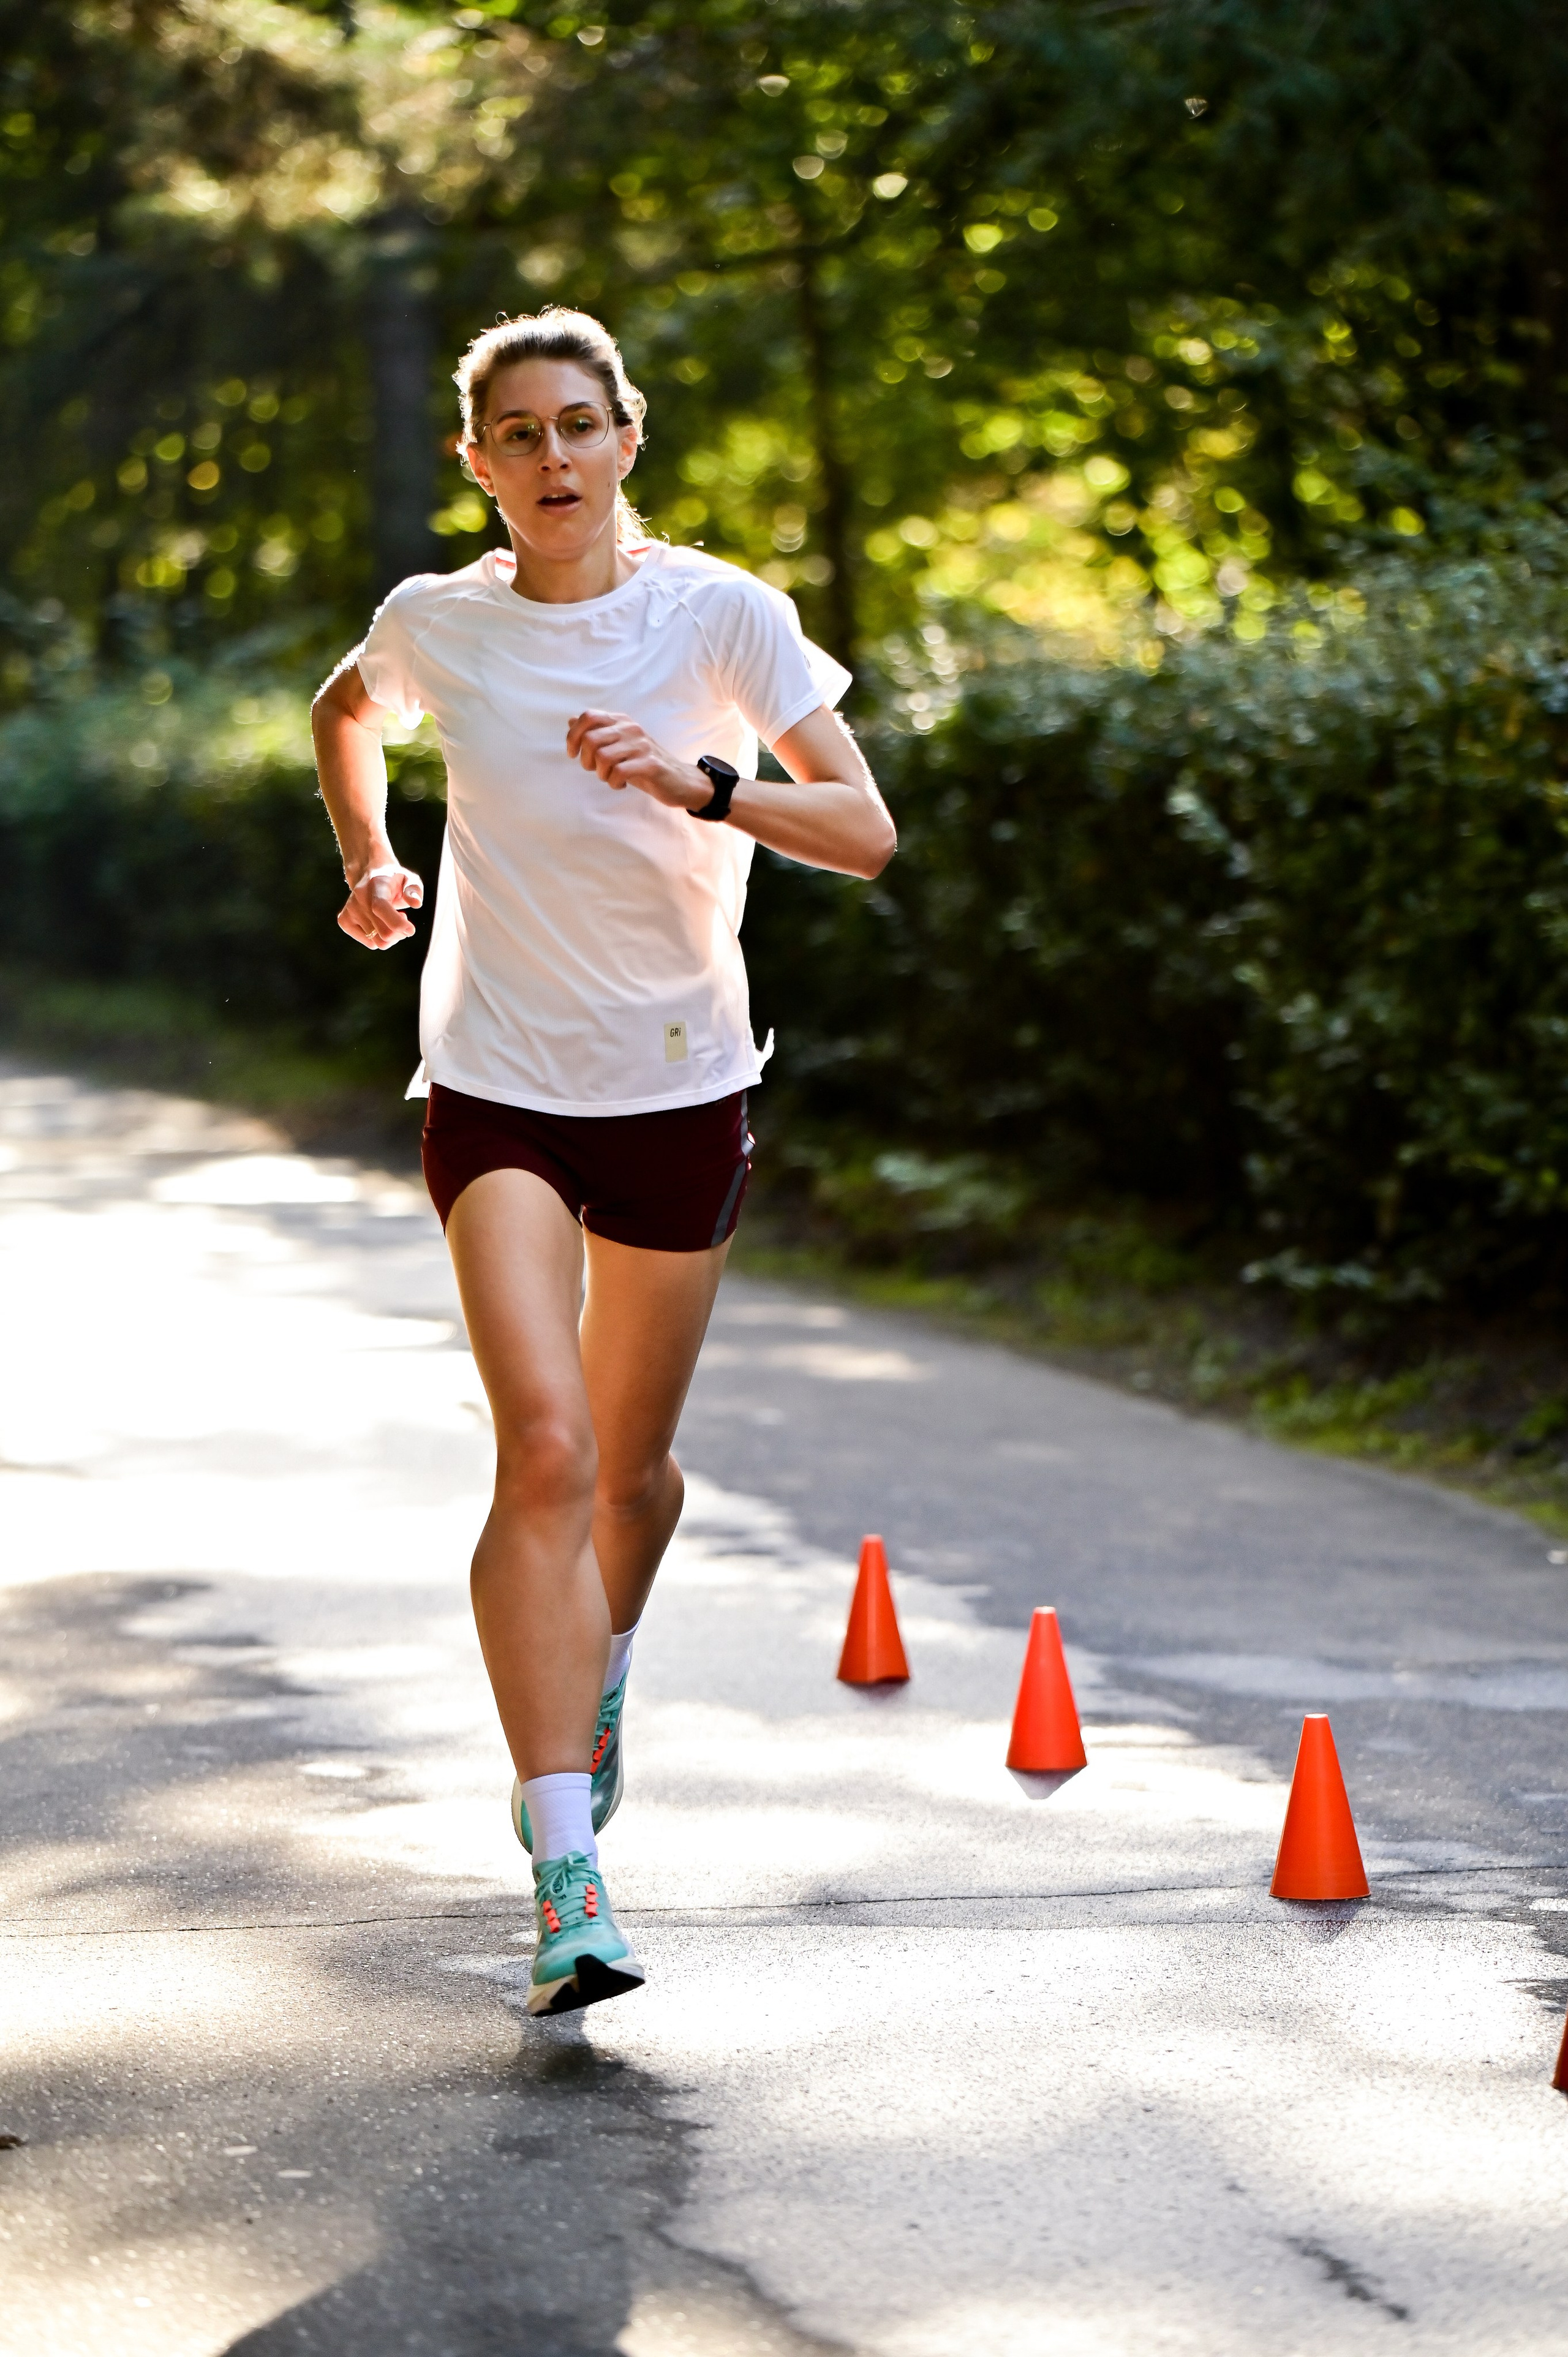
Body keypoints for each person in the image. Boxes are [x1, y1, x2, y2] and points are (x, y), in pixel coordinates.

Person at [311, 307, 895, 2015]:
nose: (551, 461)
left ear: (629, 438)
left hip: (679, 1089)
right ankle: (568, 1869)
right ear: (475, 461)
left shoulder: (723, 615)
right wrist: (369, 854)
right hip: (495, 1085)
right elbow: (348, 711)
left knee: (632, 1477)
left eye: (580, 427)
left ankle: (602, 1670)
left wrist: (712, 786)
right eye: (518, 435)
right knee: (547, 1452)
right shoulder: (440, 623)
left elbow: (861, 832)